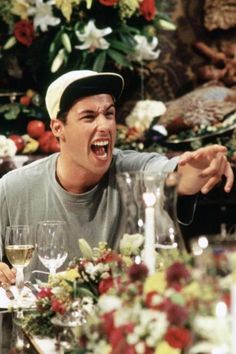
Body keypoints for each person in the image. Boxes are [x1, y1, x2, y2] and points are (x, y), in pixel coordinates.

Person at [0, 70, 234, 285]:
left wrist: (204, 165)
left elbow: (180, 177)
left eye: (109, 114)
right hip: (37, 328)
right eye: (89, 117)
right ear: (58, 128)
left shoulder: (133, 169)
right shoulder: (13, 189)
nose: (104, 125)